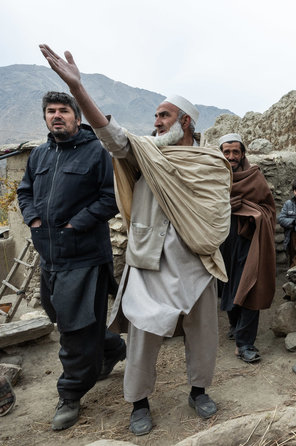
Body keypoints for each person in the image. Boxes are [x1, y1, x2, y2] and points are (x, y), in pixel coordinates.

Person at [39, 45, 232, 436]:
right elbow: (113, 137)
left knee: (203, 335)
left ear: (187, 123)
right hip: (149, 260)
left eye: (165, 115)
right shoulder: (144, 153)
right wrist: (78, 90)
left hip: (197, 262)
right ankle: (139, 402)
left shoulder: (212, 163)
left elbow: (217, 217)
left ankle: (198, 391)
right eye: (156, 116)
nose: (157, 122)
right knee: (142, 339)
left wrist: (202, 241)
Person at [16, 91, 126, 431]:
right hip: (50, 256)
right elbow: (24, 191)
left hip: (84, 258)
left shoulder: (97, 153)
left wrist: (75, 223)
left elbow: (112, 198)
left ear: (77, 117)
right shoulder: (39, 155)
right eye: (51, 111)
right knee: (58, 315)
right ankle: (110, 348)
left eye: (63, 110)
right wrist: (33, 219)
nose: (56, 116)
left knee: (75, 330)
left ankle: (71, 393)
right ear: (45, 118)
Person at [218, 133, 276, 364]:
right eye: (227, 152)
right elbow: (201, 206)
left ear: (243, 154)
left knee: (251, 286)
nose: (231, 156)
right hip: (222, 240)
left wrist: (249, 210)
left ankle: (245, 343)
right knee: (229, 285)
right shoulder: (213, 176)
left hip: (250, 240)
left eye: (235, 152)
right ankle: (235, 325)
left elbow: (269, 209)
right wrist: (224, 205)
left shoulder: (255, 176)